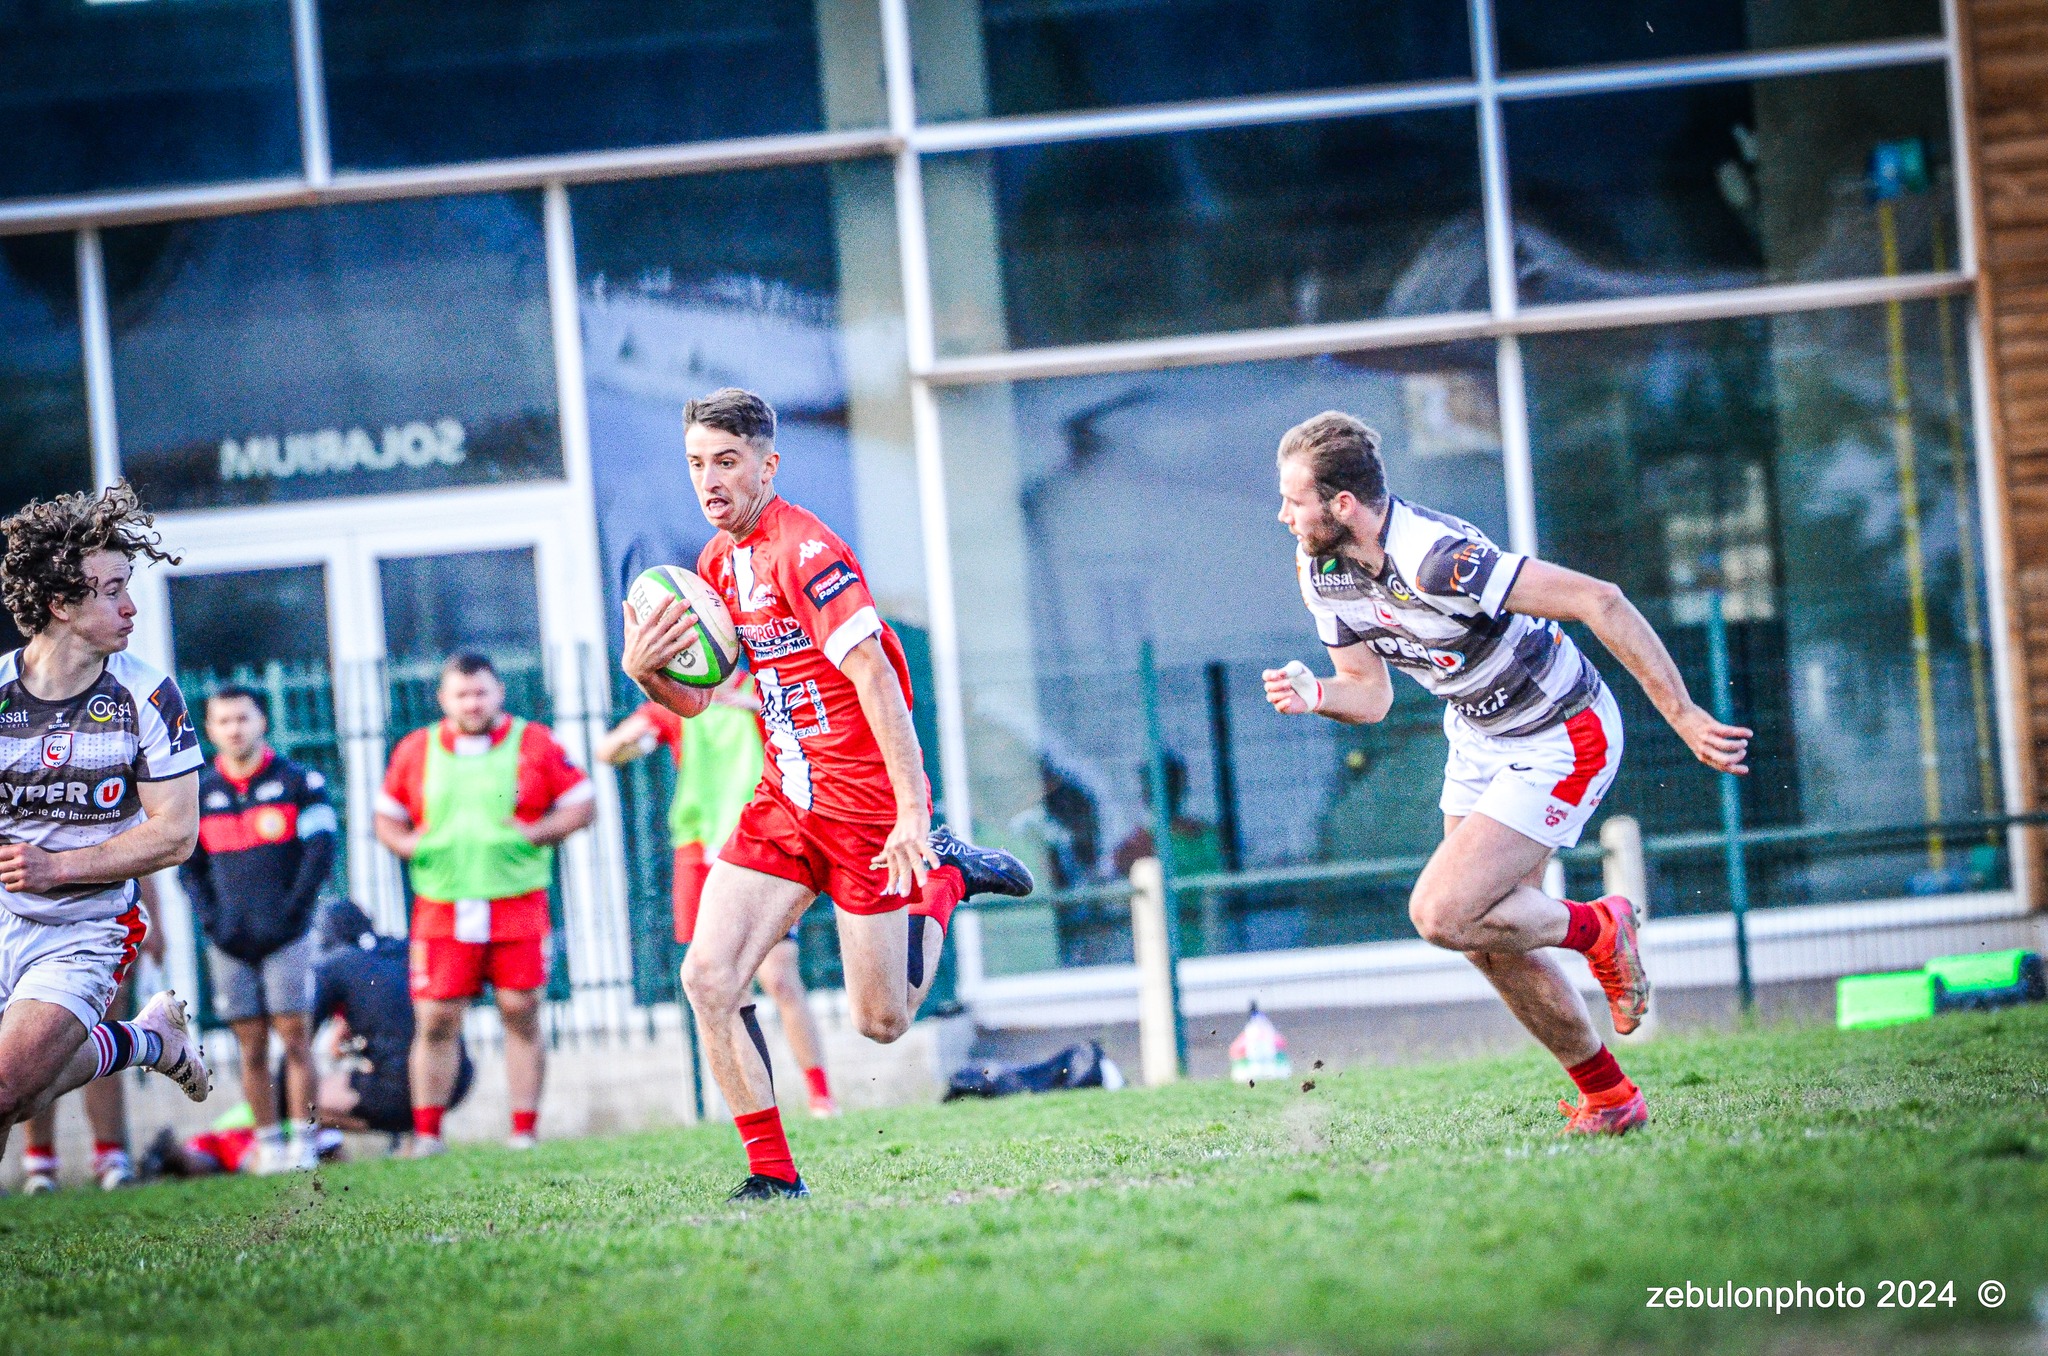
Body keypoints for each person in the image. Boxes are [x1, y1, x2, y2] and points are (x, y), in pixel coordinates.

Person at [1261, 413, 1752, 1136]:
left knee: (1441, 913)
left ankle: (1599, 927)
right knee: (1485, 935)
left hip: (1563, 730)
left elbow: (1599, 599)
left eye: (1293, 500)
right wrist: (1316, 697)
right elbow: (1370, 695)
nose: (1283, 516)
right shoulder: (1322, 570)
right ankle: (1611, 1098)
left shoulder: (1438, 558)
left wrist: (1681, 714)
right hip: (1478, 735)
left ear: (1342, 505)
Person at [621, 387, 1033, 1200]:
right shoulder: (715, 565)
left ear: (768, 465)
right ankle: (774, 1178)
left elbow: (874, 675)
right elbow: (701, 704)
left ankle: (945, 879)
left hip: (865, 809)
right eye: (697, 464)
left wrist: (912, 812)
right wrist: (647, 674)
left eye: (727, 462)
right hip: (783, 800)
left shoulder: (806, 550)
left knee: (881, 1022)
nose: (710, 481)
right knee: (708, 978)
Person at [0, 484, 213, 1171]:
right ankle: (147, 1041)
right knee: (9, 1098)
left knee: (6, 1086)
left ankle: (141, 1045)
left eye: (128, 587)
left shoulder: (147, 694)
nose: (131, 607)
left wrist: (58, 867)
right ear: (61, 604)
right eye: (112, 590)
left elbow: (176, 833)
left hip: (86, 928)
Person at [374, 652, 593, 1154]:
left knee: (520, 1009)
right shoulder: (416, 748)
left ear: (499, 693)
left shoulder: (535, 742)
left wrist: (537, 831)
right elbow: (385, 816)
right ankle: (428, 1137)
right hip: (443, 904)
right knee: (436, 1018)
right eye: (462, 694)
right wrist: (406, 844)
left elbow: (582, 804)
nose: (472, 703)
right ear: (443, 699)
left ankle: (524, 1132)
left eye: (480, 693)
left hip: (517, 900)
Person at [597, 670, 839, 1118]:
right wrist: (633, 741)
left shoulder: (762, 690)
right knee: (722, 985)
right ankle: (751, 1104)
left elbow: (815, 741)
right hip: (700, 851)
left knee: (780, 975)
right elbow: (609, 750)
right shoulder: (678, 703)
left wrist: (759, 711)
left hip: (762, 847)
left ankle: (821, 1096)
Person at [179, 685, 336, 1174]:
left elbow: (320, 854)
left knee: (296, 1038)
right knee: (250, 1045)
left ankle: (304, 1143)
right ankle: (267, 1144)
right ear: (210, 729)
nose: (234, 729)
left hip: (288, 936)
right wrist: (213, 923)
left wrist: (292, 915)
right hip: (230, 942)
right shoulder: (198, 792)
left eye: (243, 718)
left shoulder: (299, 780)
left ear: (261, 721)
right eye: (223, 721)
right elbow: (189, 869)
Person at [19, 876, 167, 1192]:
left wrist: (154, 922)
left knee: (101, 1035)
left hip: (99, 922)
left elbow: (142, 858)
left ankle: (110, 1155)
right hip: (35, 927)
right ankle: (40, 1164)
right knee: (32, 1045)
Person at [307, 899, 472, 1144]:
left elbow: (301, 1036)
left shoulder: (336, 964)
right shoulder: (403, 947)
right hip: (456, 1078)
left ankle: (402, 1133)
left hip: (397, 1092)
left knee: (298, 1100)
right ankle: (419, 1137)